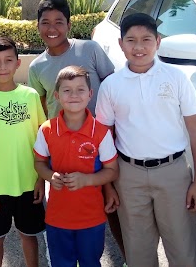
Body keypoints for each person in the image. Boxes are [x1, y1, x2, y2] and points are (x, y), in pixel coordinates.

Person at [95, 13, 196, 267]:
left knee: (183, 251)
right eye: (131, 40)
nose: (139, 47)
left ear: (158, 41)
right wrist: (108, 185)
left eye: (146, 39)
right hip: (128, 176)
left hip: (174, 173)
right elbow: (104, 137)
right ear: (121, 43)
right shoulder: (111, 85)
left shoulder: (176, 78)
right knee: (139, 253)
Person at [27, 0, 124, 257]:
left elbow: (113, 87)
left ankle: (127, 257)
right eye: (45, 22)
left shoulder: (90, 49)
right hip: (64, 146)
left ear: (69, 25)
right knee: (70, 204)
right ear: (38, 26)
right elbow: (41, 110)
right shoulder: (36, 67)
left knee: (113, 207)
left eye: (59, 22)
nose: (52, 28)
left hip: (101, 141)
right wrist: (42, 176)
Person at [0, 36, 46, 267]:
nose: (2, 66)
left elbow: (42, 142)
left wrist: (41, 180)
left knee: (29, 236)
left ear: (18, 63)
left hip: (29, 183)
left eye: (8, 60)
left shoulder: (31, 96)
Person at [34, 65, 119, 267]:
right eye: (67, 90)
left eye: (80, 89)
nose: (74, 95)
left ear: (90, 94)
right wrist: (49, 175)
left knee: (91, 262)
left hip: (92, 218)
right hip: (57, 218)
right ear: (56, 95)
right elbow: (39, 163)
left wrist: (87, 180)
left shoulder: (100, 132)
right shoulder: (47, 130)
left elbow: (112, 171)